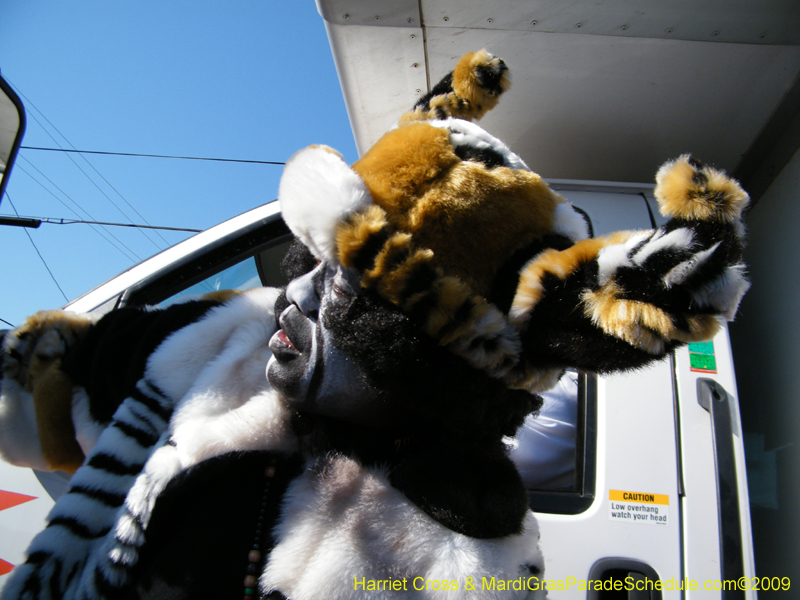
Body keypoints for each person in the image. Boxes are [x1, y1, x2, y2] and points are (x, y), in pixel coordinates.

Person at [0, 49, 750, 600]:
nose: (291, 301)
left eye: (345, 287)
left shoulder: (461, 526)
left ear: (433, 350)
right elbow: (58, 385)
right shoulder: (228, 340)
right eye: (312, 265)